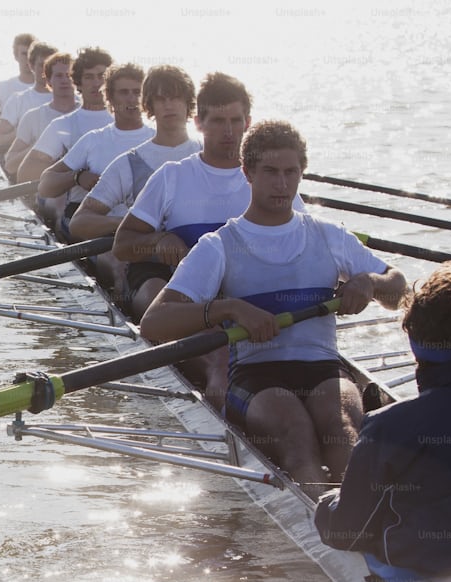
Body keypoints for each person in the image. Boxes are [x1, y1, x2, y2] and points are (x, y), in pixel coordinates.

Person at [139, 120, 407, 494]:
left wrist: (369, 282)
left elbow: (398, 289)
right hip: (255, 375)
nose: (282, 184)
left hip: (323, 368)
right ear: (247, 172)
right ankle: (332, 526)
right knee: (296, 433)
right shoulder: (218, 245)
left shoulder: (329, 235)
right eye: (270, 172)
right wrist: (226, 309)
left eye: (290, 172)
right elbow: (154, 323)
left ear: (301, 173)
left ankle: (360, 525)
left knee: (342, 428)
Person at [315, 262, 451, 576]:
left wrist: (327, 501)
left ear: (415, 343)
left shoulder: (388, 428)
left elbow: (346, 531)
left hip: (436, 571)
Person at [111, 72, 276, 409]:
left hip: (240, 294)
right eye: (217, 121)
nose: (229, 132)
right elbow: (122, 245)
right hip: (181, 295)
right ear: (199, 122)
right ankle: (228, 429)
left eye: (236, 121)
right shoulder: (173, 176)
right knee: (219, 362)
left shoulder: (269, 178)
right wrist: (158, 242)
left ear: (249, 123)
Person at [65, 65, 201, 289]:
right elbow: (79, 223)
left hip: (202, 262)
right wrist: (131, 226)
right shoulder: (128, 163)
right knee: (154, 293)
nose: (169, 105)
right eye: (160, 99)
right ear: (148, 106)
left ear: (189, 104)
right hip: (149, 267)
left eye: (176, 97)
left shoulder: (208, 156)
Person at [34, 63, 153, 231]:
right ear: (110, 98)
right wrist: (77, 177)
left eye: (137, 92)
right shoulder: (94, 140)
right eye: (124, 92)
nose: (132, 99)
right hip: (101, 232)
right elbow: (45, 185)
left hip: (146, 231)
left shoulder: (156, 138)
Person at [15, 47, 115, 184]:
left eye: (102, 76)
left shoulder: (130, 121)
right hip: (79, 203)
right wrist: (73, 174)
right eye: (89, 77)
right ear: (77, 82)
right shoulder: (61, 125)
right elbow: (25, 175)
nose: (97, 83)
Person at [2, 52, 81, 181]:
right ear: (49, 80)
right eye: (59, 76)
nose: (65, 80)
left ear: (77, 80)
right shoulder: (33, 117)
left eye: (69, 75)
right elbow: (10, 166)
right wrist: (40, 146)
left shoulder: (88, 114)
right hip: (43, 191)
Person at [0, 41, 58, 154]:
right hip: (25, 164)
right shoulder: (18, 101)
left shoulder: (74, 100)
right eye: (42, 65)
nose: (46, 71)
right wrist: (20, 133)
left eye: (51, 65)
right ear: (31, 66)